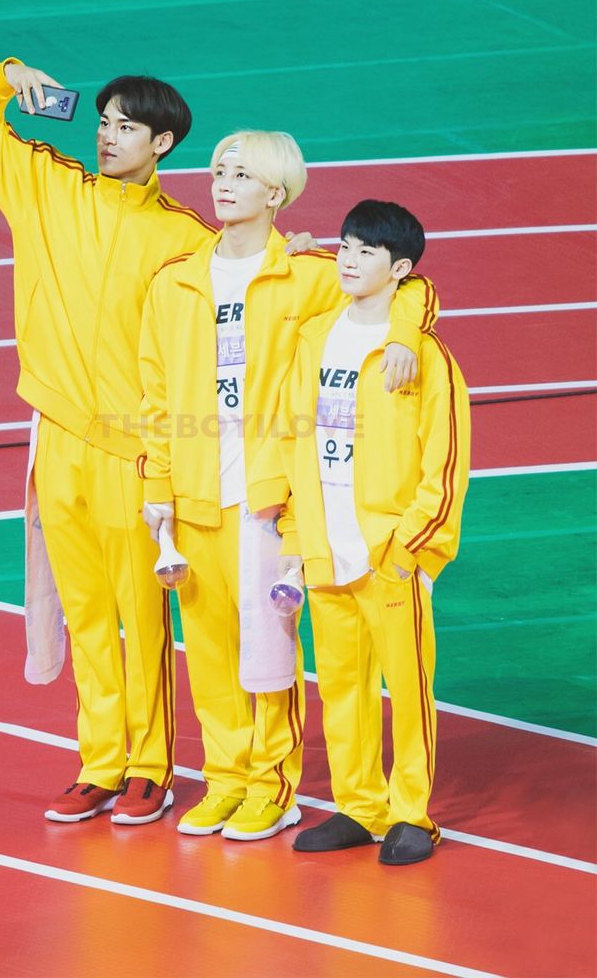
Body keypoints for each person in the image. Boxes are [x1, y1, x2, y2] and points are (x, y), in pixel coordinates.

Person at [138, 136, 439, 841]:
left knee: (267, 645)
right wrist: (158, 478)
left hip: (271, 492)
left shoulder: (309, 272)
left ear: (276, 194)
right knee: (206, 646)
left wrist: (403, 334)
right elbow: (153, 391)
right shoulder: (175, 280)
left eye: (242, 173)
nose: (222, 182)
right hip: (193, 486)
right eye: (217, 170)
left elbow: (410, 281)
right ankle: (225, 778)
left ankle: (273, 785)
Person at [0, 58, 218, 825]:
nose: (107, 136)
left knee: (142, 612)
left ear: (162, 142)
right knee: (88, 612)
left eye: (127, 127)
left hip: (133, 451)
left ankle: (151, 766)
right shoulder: (46, 187)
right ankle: (100, 761)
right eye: (102, 122)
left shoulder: (184, 237)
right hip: (57, 438)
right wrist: (8, 76)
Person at [272, 199, 470, 864]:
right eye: (346, 246)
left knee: (408, 687)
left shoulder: (423, 357)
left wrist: (408, 548)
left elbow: (443, 463)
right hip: (326, 548)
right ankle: (358, 805)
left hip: (389, 553)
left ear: (402, 270)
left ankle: (411, 812)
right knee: (343, 686)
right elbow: (295, 438)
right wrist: (298, 536)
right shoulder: (315, 337)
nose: (349, 260)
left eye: (366, 252)